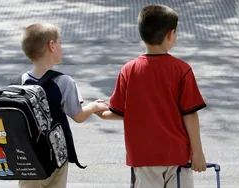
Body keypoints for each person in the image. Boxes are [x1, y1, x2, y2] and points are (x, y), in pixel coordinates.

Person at [95, 4, 207, 188]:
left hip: (143, 158)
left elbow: (119, 112)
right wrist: (198, 152)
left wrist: (99, 111)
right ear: (171, 34)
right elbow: (190, 115)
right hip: (177, 155)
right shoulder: (182, 70)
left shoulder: (128, 70)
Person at [18, 23, 108, 188]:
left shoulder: (23, 80)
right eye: (59, 42)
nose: (61, 46)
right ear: (51, 45)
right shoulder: (63, 81)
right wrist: (94, 106)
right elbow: (79, 116)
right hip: (55, 156)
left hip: (28, 159)